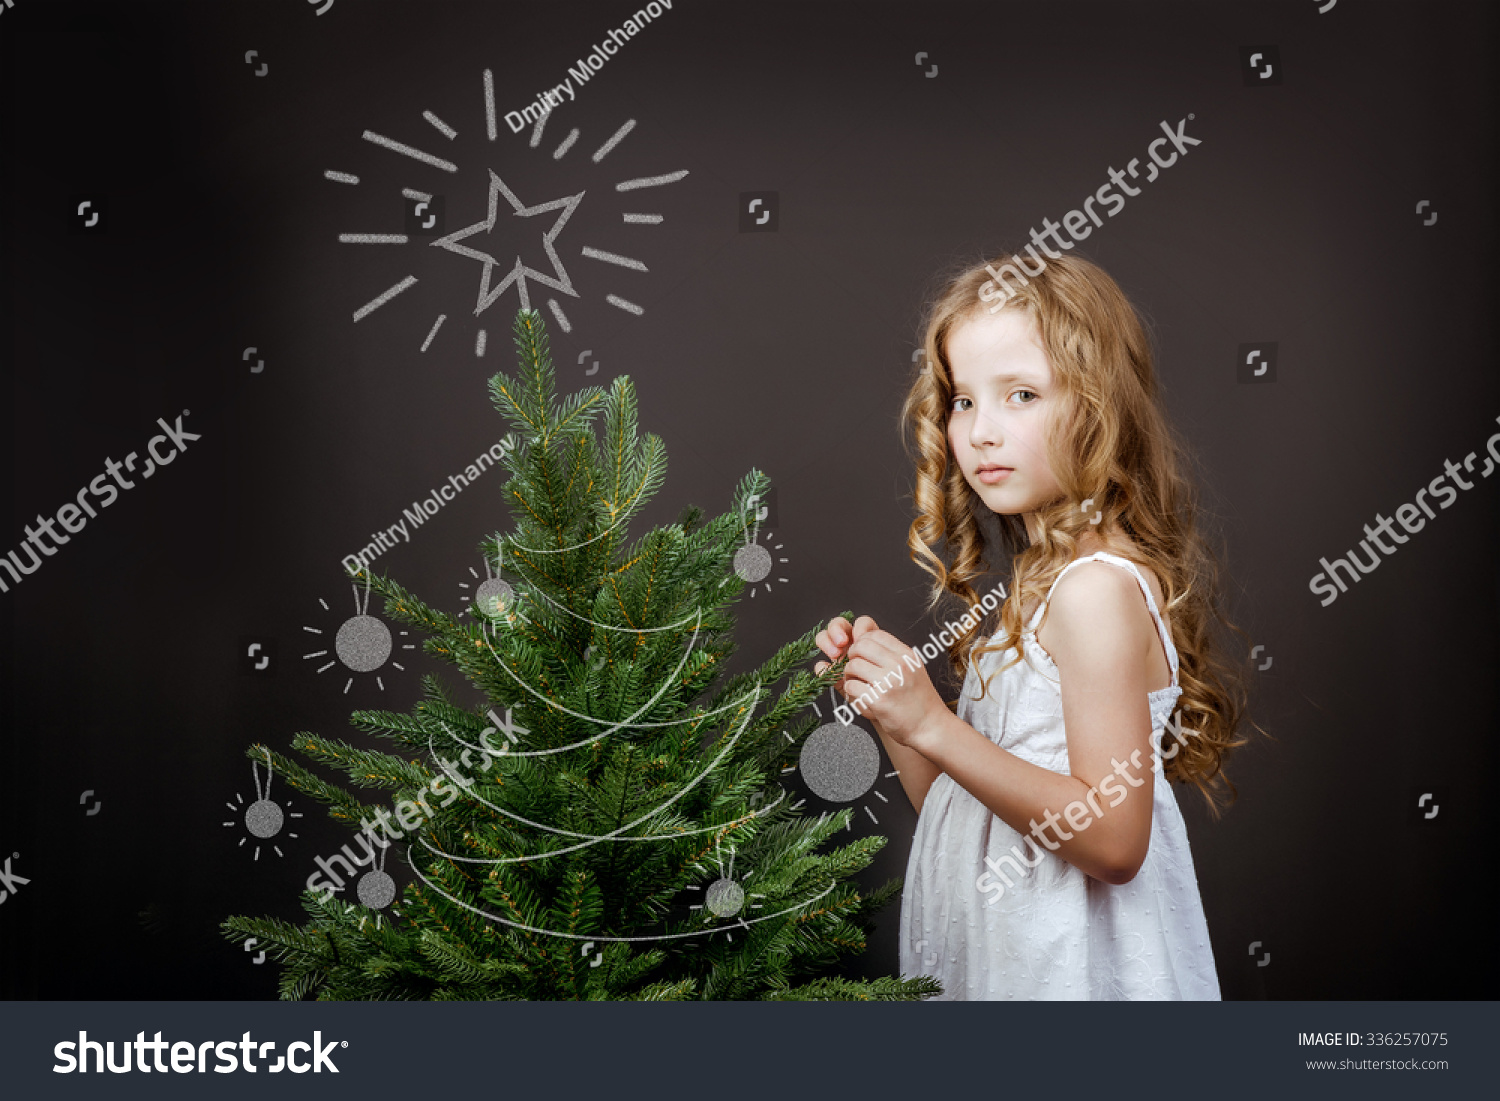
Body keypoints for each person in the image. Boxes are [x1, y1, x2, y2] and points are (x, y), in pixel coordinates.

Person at [813, 251, 1258, 1000]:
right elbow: (971, 818)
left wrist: (937, 725)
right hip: (1011, 957)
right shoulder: (1043, 584)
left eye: (1021, 394)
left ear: (1099, 405)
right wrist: (902, 714)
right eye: (963, 400)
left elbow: (1114, 842)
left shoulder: (1094, 592)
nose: (982, 430)